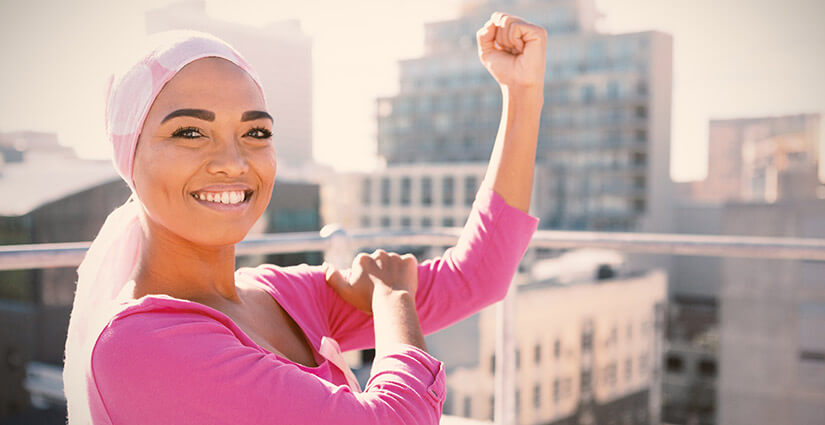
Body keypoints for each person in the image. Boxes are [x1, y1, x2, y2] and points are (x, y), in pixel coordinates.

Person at [62, 11, 545, 425]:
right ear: (129, 156)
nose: (233, 160)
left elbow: (476, 276)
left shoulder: (281, 295)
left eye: (255, 132)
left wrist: (522, 93)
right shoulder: (139, 345)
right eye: (191, 131)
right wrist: (393, 298)